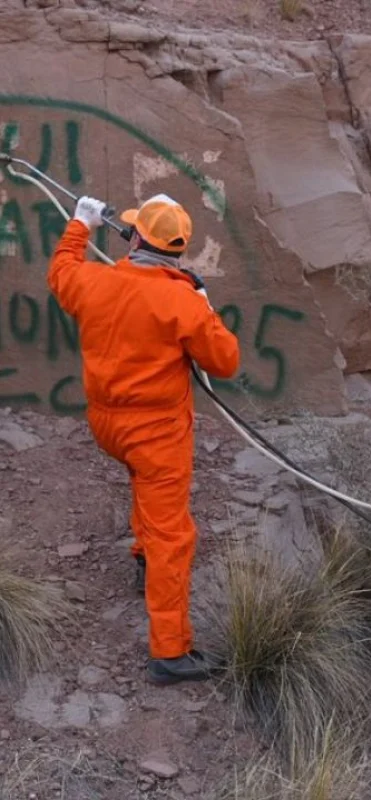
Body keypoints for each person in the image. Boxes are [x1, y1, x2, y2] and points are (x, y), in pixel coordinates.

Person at [48, 193, 240, 686]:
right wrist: (203, 305)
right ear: (178, 250)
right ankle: (171, 653)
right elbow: (225, 362)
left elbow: (62, 270)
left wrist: (81, 224)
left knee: (144, 494)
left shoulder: (94, 282)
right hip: (157, 435)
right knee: (173, 535)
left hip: (108, 427)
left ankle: (141, 560)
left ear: (134, 239)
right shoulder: (181, 301)